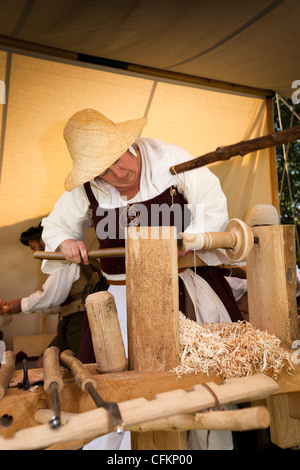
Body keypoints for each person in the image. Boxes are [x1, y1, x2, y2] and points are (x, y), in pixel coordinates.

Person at [41, 108, 243, 450]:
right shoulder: (87, 189)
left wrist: (190, 238)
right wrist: (66, 242)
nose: (118, 173)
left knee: (201, 386)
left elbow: (212, 205)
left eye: (119, 160)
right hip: (119, 303)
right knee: (115, 388)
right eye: (104, 170)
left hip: (184, 292)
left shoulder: (172, 161)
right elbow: (55, 226)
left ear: (128, 143)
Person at [0, 223, 103, 367]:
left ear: (43, 241)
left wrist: (20, 305)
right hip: (70, 321)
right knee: (42, 363)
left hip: (80, 321)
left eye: (33, 247)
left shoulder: (65, 258)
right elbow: (62, 300)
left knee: (80, 366)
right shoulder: (73, 256)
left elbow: (51, 297)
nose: (33, 253)